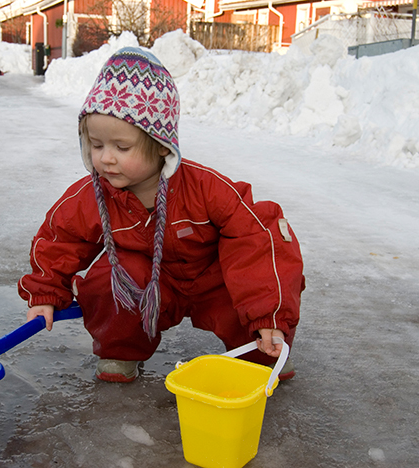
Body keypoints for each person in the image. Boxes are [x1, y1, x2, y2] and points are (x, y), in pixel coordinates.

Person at [19, 47, 305, 383]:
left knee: (244, 287)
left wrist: (269, 314)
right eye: (96, 145)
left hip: (211, 280)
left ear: (160, 146)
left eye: (121, 147)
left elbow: (258, 237)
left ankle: (263, 349)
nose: (106, 159)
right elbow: (59, 238)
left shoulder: (206, 188)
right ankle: (120, 349)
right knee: (111, 277)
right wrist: (45, 292)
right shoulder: (91, 196)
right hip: (149, 286)